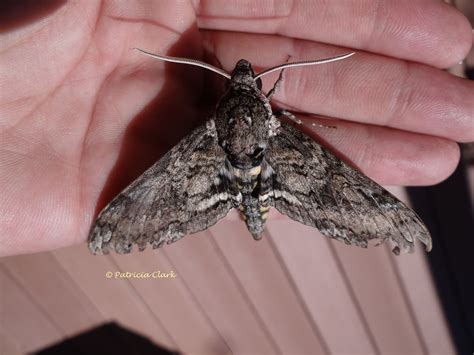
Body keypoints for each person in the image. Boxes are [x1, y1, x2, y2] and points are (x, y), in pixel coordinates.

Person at [1, 0, 472, 256]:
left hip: (211, 170)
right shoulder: (274, 116)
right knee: (350, 188)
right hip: (278, 169)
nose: (246, 77)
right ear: (261, 99)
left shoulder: (210, 124)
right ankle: (380, 219)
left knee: (137, 204)